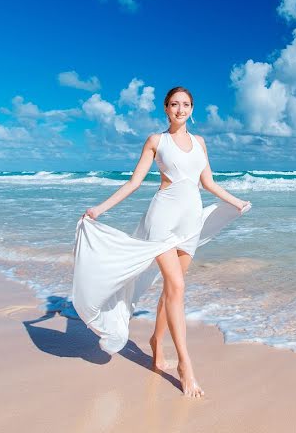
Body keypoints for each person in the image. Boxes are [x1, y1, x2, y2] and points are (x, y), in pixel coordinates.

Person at [74, 86, 251, 398]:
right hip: (162, 221)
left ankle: (156, 342)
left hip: (190, 223)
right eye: (173, 104)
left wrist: (235, 201)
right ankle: (186, 365)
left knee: (173, 288)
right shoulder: (157, 141)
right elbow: (134, 182)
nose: (179, 110)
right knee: (178, 288)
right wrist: (100, 208)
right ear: (166, 109)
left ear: (192, 109)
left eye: (185, 105)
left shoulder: (200, 143)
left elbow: (207, 182)